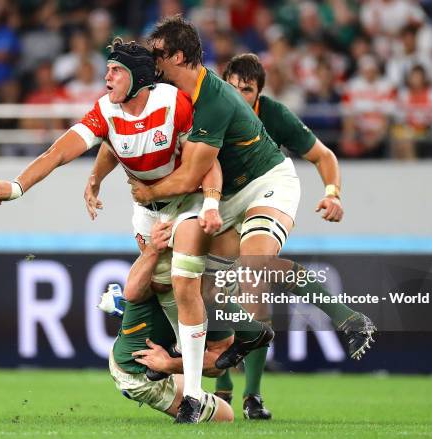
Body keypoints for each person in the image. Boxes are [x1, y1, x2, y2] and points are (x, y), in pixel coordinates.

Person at [127, 15, 376, 420]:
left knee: (253, 266)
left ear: (176, 55)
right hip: (222, 198)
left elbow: (191, 173)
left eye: (158, 55)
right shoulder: (174, 94)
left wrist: (147, 192)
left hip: (266, 184)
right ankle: (235, 357)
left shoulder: (218, 101)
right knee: (199, 275)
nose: (153, 63)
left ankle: (346, 319)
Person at [0, 38, 227, 424]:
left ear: (138, 77)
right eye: (107, 68)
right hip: (146, 214)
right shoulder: (106, 111)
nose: (106, 75)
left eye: (116, 69)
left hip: (186, 205)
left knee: (183, 283)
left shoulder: (173, 103)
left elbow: (206, 160)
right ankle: (193, 361)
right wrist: (18, 187)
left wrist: (210, 204)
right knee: (161, 292)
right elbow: (58, 152)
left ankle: (193, 392)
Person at [211, 52, 348, 418]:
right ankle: (221, 386)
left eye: (248, 89)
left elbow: (324, 156)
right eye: (232, 87)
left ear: (259, 94)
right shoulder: (208, 110)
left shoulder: (275, 115)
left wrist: (332, 193)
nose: (238, 95)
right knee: (215, 291)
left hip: (260, 202)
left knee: (254, 281)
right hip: (217, 208)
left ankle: (251, 395)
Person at [102, 221, 234, 423]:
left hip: (162, 362)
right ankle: (128, 311)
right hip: (137, 375)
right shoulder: (162, 270)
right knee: (225, 417)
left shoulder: (216, 293)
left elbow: (219, 363)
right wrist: (152, 249)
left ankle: (125, 311)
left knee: (226, 412)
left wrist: (169, 365)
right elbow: (133, 292)